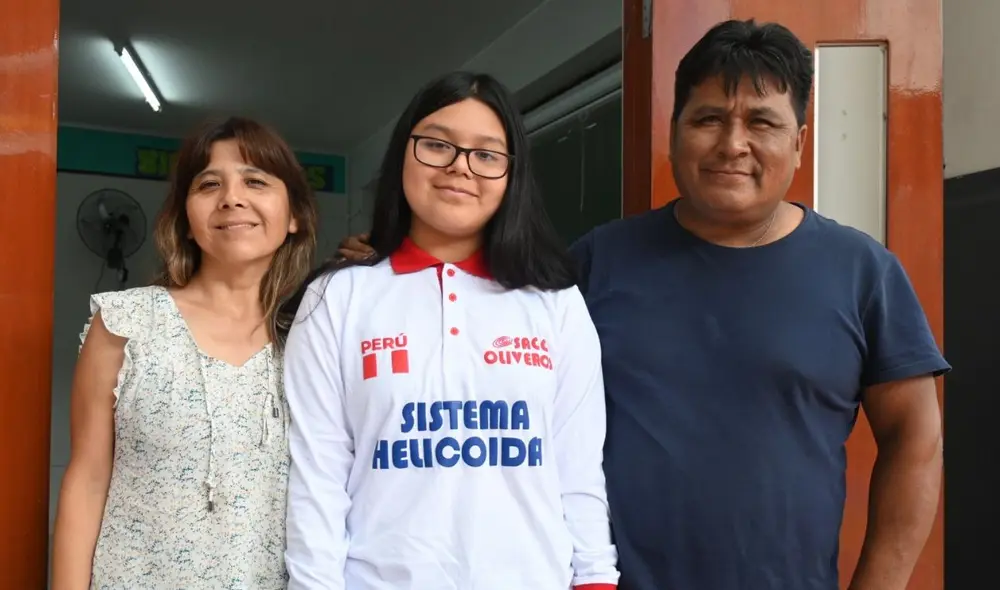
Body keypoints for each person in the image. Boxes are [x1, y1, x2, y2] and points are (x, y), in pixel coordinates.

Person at [335, 19, 949, 590]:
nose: (733, 144)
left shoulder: (862, 272)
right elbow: (475, 324)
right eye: (708, 118)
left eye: (761, 122)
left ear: (799, 139)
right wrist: (392, 268)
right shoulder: (599, 261)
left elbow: (916, 440)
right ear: (674, 128)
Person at [282, 71, 619, 590]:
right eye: (437, 145)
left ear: (512, 175)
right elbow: (317, 480)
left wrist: (597, 580)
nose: (460, 168)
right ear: (403, 155)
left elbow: (577, 471)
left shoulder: (554, 302)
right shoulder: (338, 299)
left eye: (486, 154)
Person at [51, 116, 318, 589]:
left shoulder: (314, 336)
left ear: (294, 215)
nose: (232, 197)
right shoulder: (125, 323)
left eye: (255, 181)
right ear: (187, 220)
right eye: (209, 183)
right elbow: (87, 480)